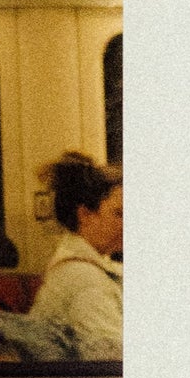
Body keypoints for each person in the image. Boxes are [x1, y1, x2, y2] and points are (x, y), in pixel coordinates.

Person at [24, 152, 122, 361]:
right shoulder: (82, 277)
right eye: (119, 214)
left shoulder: (95, 264)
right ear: (85, 214)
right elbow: (111, 356)